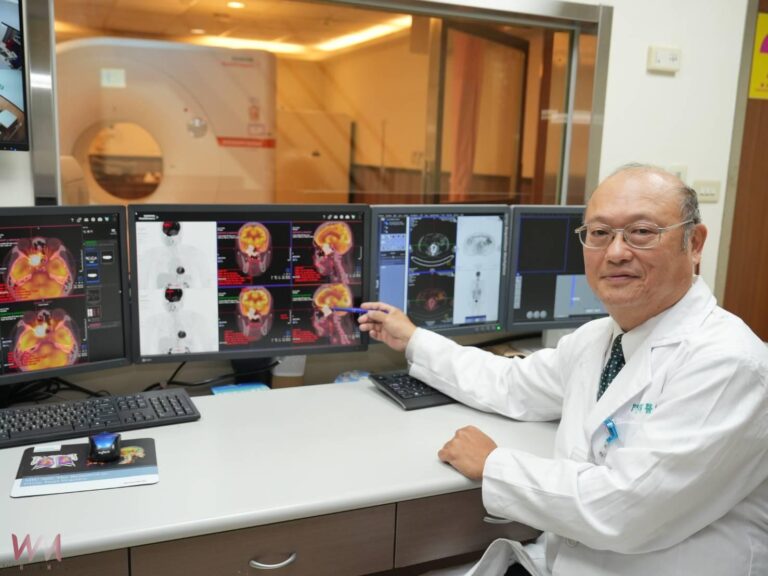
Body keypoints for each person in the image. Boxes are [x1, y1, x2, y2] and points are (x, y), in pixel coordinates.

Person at [359, 164, 768, 576]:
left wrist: (495, 464)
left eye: (641, 232)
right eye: (600, 233)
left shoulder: (729, 363)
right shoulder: (599, 339)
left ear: (694, 243)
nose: (616, 252)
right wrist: (413, 338)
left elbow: (626, 509)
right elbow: (511, 383)